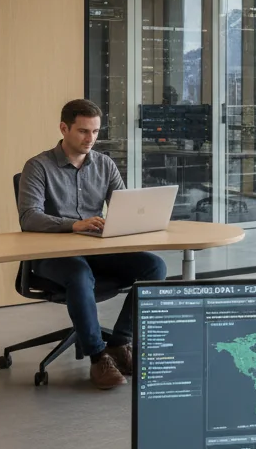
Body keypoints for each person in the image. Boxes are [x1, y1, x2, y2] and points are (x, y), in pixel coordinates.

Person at [17, 98, 168, 390]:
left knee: (155, 267)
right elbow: (29, 217)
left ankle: (120, 342)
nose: (91, 139)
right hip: (51, 254)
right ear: (64, 128)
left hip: (96, 248)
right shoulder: (38, 166)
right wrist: (73, 225)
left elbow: (124, 206)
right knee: (78, 274)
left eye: (96, 132)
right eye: (83, 131)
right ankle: (98, 357)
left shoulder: (104, 164)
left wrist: (136, 221)